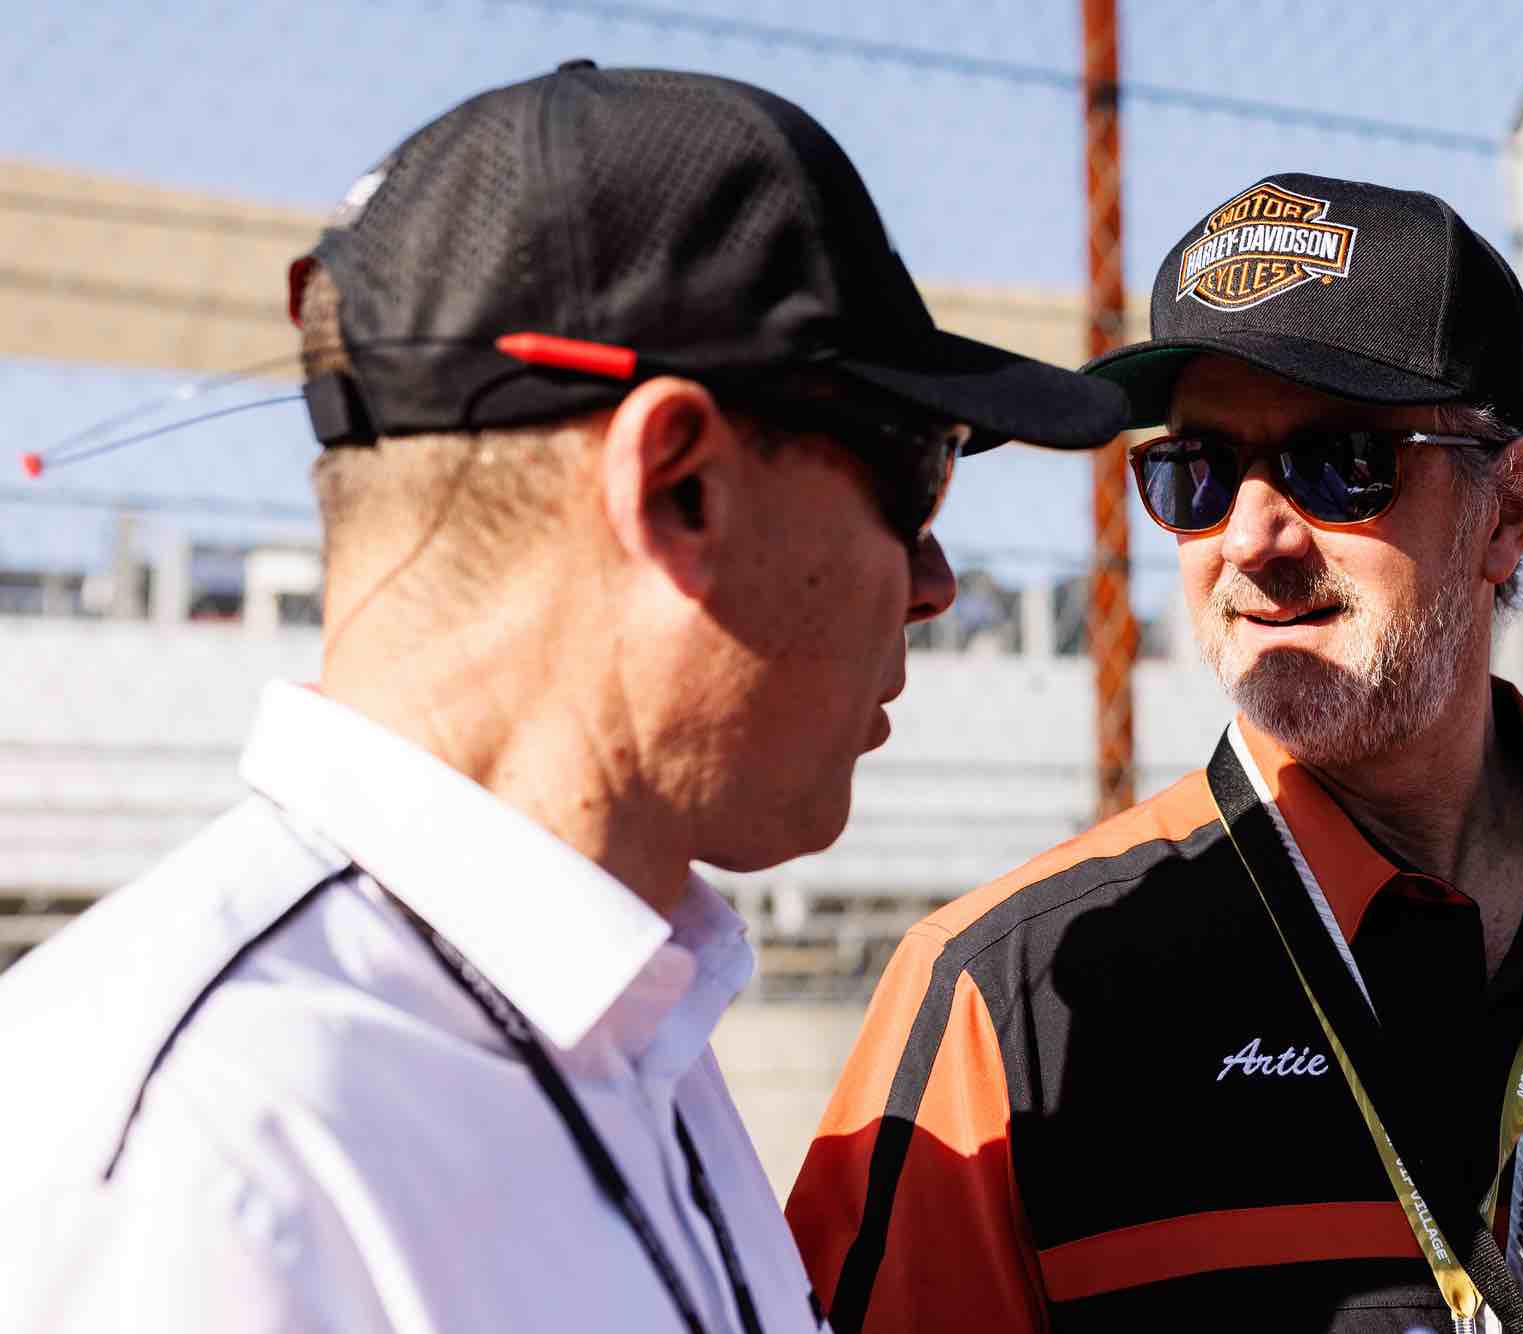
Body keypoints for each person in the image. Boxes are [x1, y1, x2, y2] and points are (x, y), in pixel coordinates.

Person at [0, 63, 1126, 1333]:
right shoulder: (199, 1159)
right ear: (678, 486)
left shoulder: (624, 1018)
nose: (933, 582)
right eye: (914, 473)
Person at [786, 174, 1523, 1332]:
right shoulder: (1004, 996)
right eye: (1194, 472)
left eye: (1339, 462)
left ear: (1508, 510)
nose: (1248, 537)